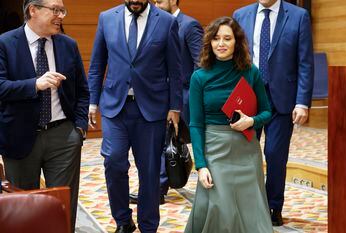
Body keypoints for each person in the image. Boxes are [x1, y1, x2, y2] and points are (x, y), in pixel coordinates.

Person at [87, 0, 182, 232]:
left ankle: (148, 225)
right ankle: (123, 220)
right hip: (114, 106)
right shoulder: (106, 18)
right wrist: (92, 101)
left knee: (149, 170)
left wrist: (175, 107)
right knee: (113, 160)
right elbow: (97, 63)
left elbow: (175, 69)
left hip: (151, 109)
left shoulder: (167, 22)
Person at [0, 0, 89, 231]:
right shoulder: (5, 43)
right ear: (33, 10)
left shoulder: (68, 44)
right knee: (23, 209)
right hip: (19, 138)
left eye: (62, 10)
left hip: (63, 137)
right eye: (55, 10)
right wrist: (34, 84)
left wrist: (78, 129)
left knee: (61, 206)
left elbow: (82, 90)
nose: (61, 16)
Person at [184, 16, 273, 233]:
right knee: (221, 210)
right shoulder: (199, 77)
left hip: (246, 150)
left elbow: (267, 111)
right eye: (216, 39)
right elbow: (195, 125)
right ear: (209, 42)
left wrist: (251, 121)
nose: (221, 44)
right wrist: (201, 164)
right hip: (215, 150)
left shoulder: (251, 71)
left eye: (227, 38)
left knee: (251, 212)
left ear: (237, 42)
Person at [233, 0, 314, 226]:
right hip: (248, 97)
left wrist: (302, 102)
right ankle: (246, 205)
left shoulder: (298, 16)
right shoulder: (241, 15)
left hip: (282, 99)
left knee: (275, 154)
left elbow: (305, 62)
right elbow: (232, 57)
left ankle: (273, 205)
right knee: (244, 155)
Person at [128, 0, 203, 205]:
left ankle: (158, 189)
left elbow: (200, 62)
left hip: (185, 95)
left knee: (177, 143)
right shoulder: (156, 23)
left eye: (160, 0)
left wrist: (190, 96)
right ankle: (157, 188)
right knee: (163, 143)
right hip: (161, 95)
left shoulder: (190, 25)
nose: (156, 4)